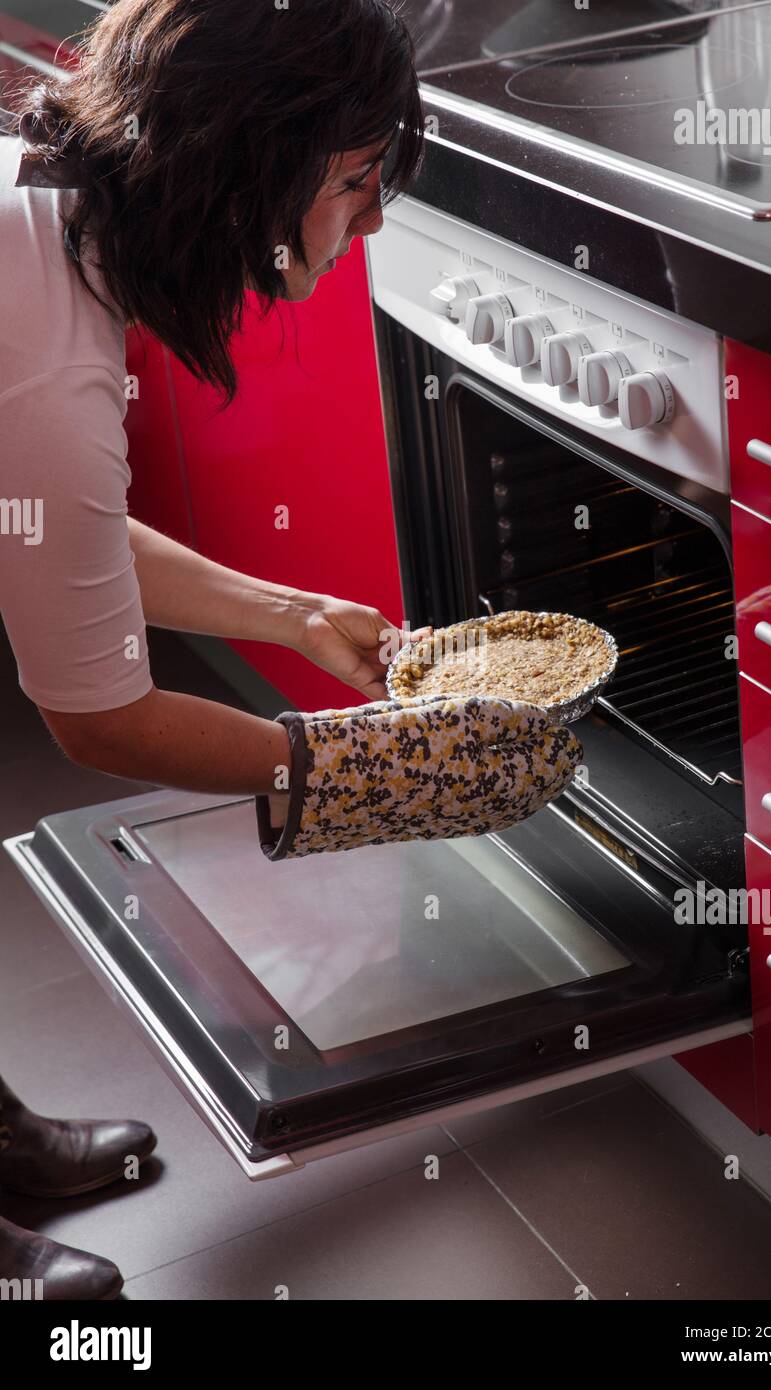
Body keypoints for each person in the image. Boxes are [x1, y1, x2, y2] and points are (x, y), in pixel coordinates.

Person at [0, 0, 580, 1299]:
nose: (374, 221)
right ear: (243, 170)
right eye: (358, 181)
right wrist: (376, 772)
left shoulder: (52, 238)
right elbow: (98, 716)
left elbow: (54, 530)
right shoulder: (38, 346)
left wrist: (293, 615)